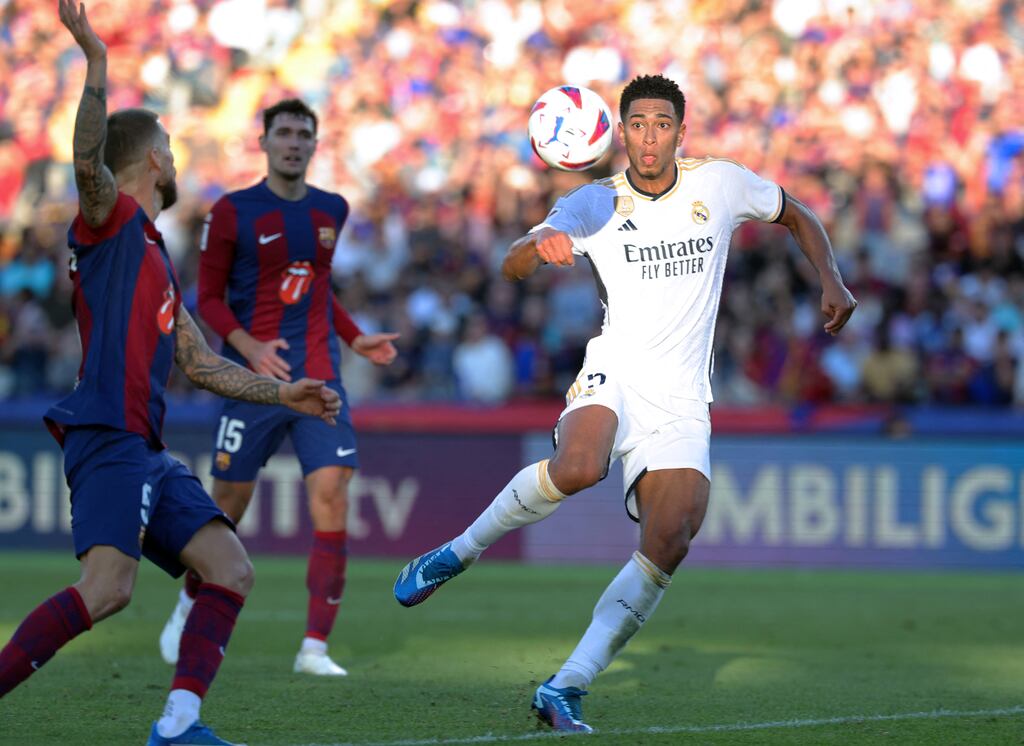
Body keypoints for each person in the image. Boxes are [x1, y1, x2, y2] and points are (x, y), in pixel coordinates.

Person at [393, 75, 858, 732]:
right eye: (637, 124)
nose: (649, 137)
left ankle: (567, 685)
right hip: (616, 368)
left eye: (661, 124)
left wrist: (831, 278)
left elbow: (796, 214)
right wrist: (536, 246)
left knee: (672, 537)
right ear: (620, 131)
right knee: (579, 466)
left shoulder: (719, 184)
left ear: (679, 131)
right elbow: (512, 264)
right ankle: (458, 552)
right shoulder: (592, 202)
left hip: (683, 395)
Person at [0, 4, 341, 745]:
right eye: (169, 146)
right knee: (108, 589)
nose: (177, 157)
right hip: (107, 434)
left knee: (229, 569)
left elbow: (197, 361)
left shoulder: (151, 252)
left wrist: (285, 392)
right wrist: (95, 61)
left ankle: (178, 726)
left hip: (144, 446)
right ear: (152, 159)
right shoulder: (111, 217)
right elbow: (87, 161)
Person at [157, 98, 398, 677]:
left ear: (316, 145)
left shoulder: (331, 210)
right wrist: (249, 348)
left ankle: (315, 647)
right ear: (263, 143)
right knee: (227, 507)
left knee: (333, 496)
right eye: (283, 132)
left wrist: (355, 336)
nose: (293, 142)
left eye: (303, 134)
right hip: (252, 384)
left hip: (320, 378)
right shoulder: (232, 211)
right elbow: (208, 299)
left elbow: (317, 287)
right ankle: (190, 598)